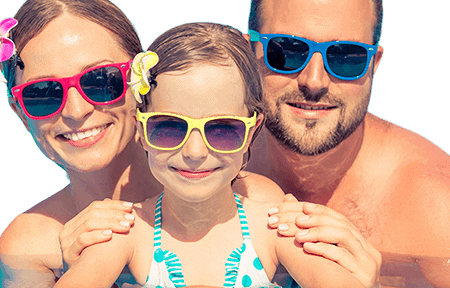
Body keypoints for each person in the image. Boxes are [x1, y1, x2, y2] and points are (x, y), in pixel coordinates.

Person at [244, 0, 450, 287]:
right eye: (286, 51)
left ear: (373, 65)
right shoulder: (194, 159)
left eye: (345, 57)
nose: (314, 81)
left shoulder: (439, 215)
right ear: (251, 51)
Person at [0, 0, 285, 288]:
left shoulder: (254, 203)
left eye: (100, 81)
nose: (76, 111)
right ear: (20, 112)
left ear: (140, 82)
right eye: (42, 94)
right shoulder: (27, 247)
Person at [53, 22, 378, 288]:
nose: (195, 152)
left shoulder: (276, 228)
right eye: (169, 128)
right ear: (141, 130)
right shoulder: (126, 231)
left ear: (252, 131)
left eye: (223, 130)